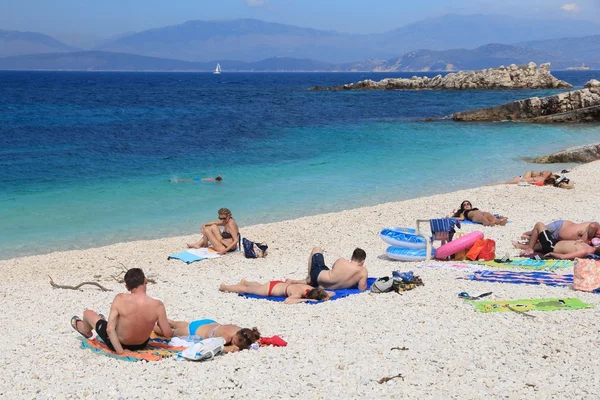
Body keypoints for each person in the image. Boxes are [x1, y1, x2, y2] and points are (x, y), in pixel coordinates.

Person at [70, 268, 172, 354]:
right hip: (142, 345)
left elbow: (110, 330)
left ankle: (85, 331)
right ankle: (100, 321)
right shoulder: (157, 305)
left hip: (120, 344)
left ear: (127, 287)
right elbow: (167, 333)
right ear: (145, 281)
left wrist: (121, 352)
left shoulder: (120, 299)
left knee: (87, 313)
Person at [153, 319, 260, 353]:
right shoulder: (226, 337)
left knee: (180, 325)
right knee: (170, 333)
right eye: (234, 341)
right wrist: (229, 348)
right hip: (194, 331)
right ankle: (152, 326)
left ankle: (170, 321)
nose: (233, 342)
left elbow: (250, 340)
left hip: (209, 323)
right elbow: (212, 347)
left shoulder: (241, 331)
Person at [286, 247, 368, 290]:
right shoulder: (363, 271)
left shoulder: (341, 261)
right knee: (325, 276)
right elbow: (362, 288)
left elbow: (333, 270)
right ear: (362, 261)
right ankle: (294, 282)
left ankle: (308, 278)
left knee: (316, 249)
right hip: (324, 286)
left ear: (352, 257)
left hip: (318, 277)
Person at [513, 220, 600, 255]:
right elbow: (593, 226)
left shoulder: (592, 245)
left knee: (540, 235)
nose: (598, 236)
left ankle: (524, 246)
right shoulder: (594, 227)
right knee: (535, 232)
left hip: (557, 242)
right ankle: (527, 235)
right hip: (561, 226)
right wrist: (587, 238)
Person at [219, 279, 334, 304]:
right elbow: (288, 301)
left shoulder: (308, 288)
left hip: (278, 284)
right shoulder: (298, 294)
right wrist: (307, 299)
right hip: (271, 290)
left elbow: (330, 293)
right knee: (247, 290)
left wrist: (324, 296)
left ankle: (246, 281)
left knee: (257, 286)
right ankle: (225, 287)